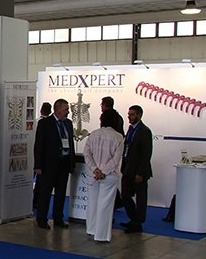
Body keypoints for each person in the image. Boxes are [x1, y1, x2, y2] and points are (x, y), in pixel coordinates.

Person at [83, 109, 125, 242]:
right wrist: (103, 171)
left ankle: (91, 229)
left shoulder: (93, 135)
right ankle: (101, 235)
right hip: (109, 176)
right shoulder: (118, 137)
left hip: (93, 175)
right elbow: (115, 160)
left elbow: (87, 154)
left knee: (92, 202)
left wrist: (95, 170)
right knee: (105, 205)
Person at [33, 98, 75, 229]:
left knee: (61, 193)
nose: (68, 112)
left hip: (64, 163)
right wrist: (38, 165)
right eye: (66, 109)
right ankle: (41, 219)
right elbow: (39, 144)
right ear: (57, 109)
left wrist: (72, 162)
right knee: (45, 193)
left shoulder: (68, 123)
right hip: (49, 165)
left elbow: (71, 143)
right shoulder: (45, 123)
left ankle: (58, 218)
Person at [120, 105, 153, 233]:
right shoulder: (130, 129)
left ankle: (138, 222)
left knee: (141, 198)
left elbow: (146, 154)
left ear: (139, 115)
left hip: (139, 170)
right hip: (128, 168)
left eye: (132, 114)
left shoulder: (144, 131)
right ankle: (134, 219)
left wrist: (140, 173)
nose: (129, 117)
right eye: (129, 114)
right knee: (125, 195)